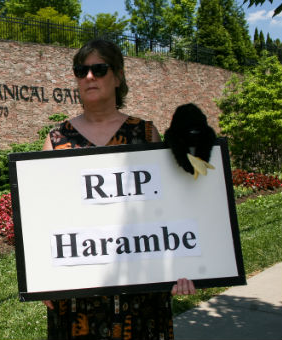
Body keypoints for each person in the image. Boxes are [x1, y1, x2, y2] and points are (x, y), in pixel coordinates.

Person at [41, 39, 195, 340]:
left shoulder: (145, 134)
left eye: (99, 69)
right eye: (80, 70)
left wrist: (182, 265)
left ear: (119, 77)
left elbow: (171, 206)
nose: (89, 77)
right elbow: (44, 215)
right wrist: (43, 277)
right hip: (78, 293)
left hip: (139, 289)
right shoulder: (57, 139)